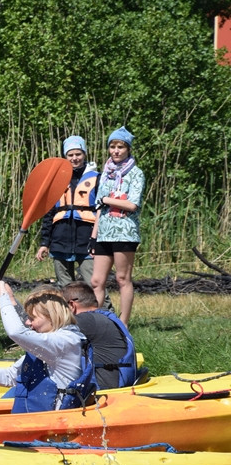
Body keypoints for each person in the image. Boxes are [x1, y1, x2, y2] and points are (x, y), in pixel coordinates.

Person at [0, 282, 92, 413]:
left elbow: (16, 332)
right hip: (37, 419)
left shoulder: (64, 341)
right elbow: (10, 376)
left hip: (55, 423)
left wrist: (2, 295)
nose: (28, 323)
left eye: (32, 318)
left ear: (52, 316)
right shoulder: (47, 346)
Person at [90, 126, 143, 326]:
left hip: (124, 232)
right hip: (104, 232)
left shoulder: (136, 173)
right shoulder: (105, 174)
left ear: (128, 149)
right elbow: (98, 208)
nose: (116, 151)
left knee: (122, 278)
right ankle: (96, 320)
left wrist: (105, 199)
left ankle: (124, 322)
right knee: (96, 281)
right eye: (112, 147)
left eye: (121, 147)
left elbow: (132, 204)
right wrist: (93, 236)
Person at [37, 135, 102, 288]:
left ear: (84, 154)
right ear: (65, 156)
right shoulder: (57, 179)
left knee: (94, 284)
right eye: (70, 155)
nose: (74, 158)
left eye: (78, 154)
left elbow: (102, 212)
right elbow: (49, 214)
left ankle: (105, 312)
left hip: (86, 241)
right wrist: (45, 243)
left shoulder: (97, 179)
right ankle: (70, 313)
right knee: (66, 289)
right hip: (60, 241)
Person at [63, 281, 138, 390]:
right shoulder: (104, 316)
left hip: (106, 391)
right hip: (118, 383)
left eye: (60, 307)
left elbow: (50, 329)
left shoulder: (87, 320)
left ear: (71, 305)